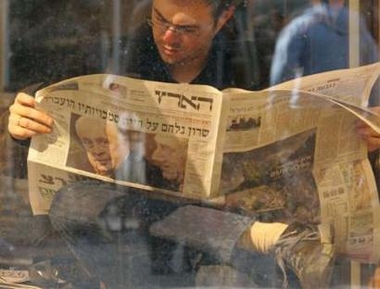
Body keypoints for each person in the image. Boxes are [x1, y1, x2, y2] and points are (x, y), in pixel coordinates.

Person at [7, 0, 380, 288]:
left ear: (223, 18)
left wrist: (365, 136)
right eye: (160, 19)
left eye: (187, 28)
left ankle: (257, 239)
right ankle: (264, 239)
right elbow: (49, 101)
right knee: (73, 203)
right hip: (142, 246)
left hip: (224, 258)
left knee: (228, 282)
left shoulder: (256, 62)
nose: (168, 37)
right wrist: (23, 120)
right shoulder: (119, 54)